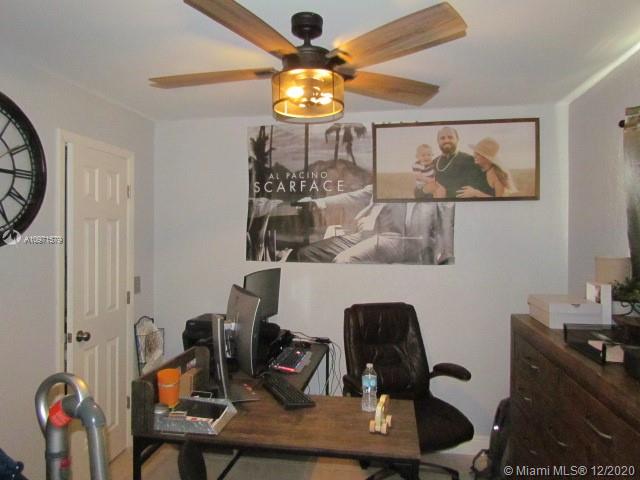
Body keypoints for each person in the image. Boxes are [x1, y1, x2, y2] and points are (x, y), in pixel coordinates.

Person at [292, 185, 454, 264]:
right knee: (307, 254)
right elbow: (352, 197)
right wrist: (317, 202)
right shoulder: (385, 182)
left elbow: (445, 219)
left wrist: (445, 252)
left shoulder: (429, 185)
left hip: (397, 238)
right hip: (366, 235)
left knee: (344, 261)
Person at [433, 127, 487, 198]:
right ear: (438, 141)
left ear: (457, 139)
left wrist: (445, 194)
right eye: (442, 138)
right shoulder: (434, 162)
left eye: (450, 137)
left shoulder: (469, 160)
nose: (446, 140)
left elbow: (477, 189)